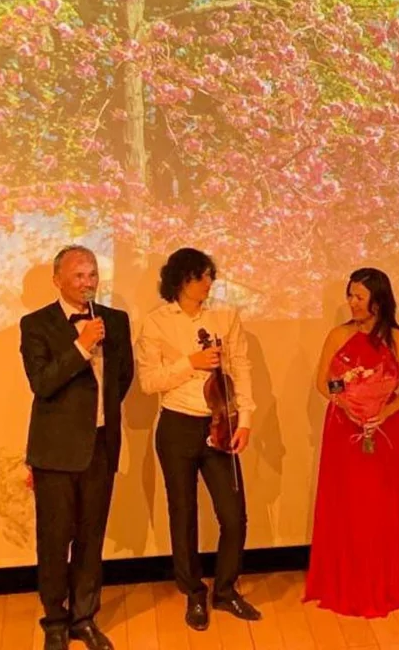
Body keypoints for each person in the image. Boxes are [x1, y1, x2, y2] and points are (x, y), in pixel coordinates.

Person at [136, 248, 260, 631]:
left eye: (210, 276)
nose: (209, 283)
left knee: (234, 516)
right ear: (180, 280)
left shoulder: (225, 316)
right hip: (177, 425)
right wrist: (189, 363)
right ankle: (193, 593)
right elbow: (148, 382)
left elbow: (240, 366)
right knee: (183, 514)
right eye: (201, 276)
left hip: (220, 422)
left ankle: (225, 590)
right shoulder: (156, 323)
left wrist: (245, 419)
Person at [20, 245, 134, 650]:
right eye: (79, 275)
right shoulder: (36, 324)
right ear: (58, 281)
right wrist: (82, 346)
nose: (88, 282)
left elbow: (123, 377)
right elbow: (42, 382)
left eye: (92, 274)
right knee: (54, 539)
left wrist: (98, 419)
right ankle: (54, 619)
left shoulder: (115, 321)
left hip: (100, 445)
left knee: (91, 537)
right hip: (55, 451)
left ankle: (84, 617)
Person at [304, 268, 399, 617]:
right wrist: (345, 401)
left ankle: (381, 584)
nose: (352, 302)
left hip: (385, 430)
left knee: (379, 506)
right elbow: (325, 381)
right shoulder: (338, 335)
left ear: (378, 301)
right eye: (350, 295)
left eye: (359, 296)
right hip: (344, 428)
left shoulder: (397, 339)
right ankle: (343, 582)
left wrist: (383, 411)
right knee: (347, 504)